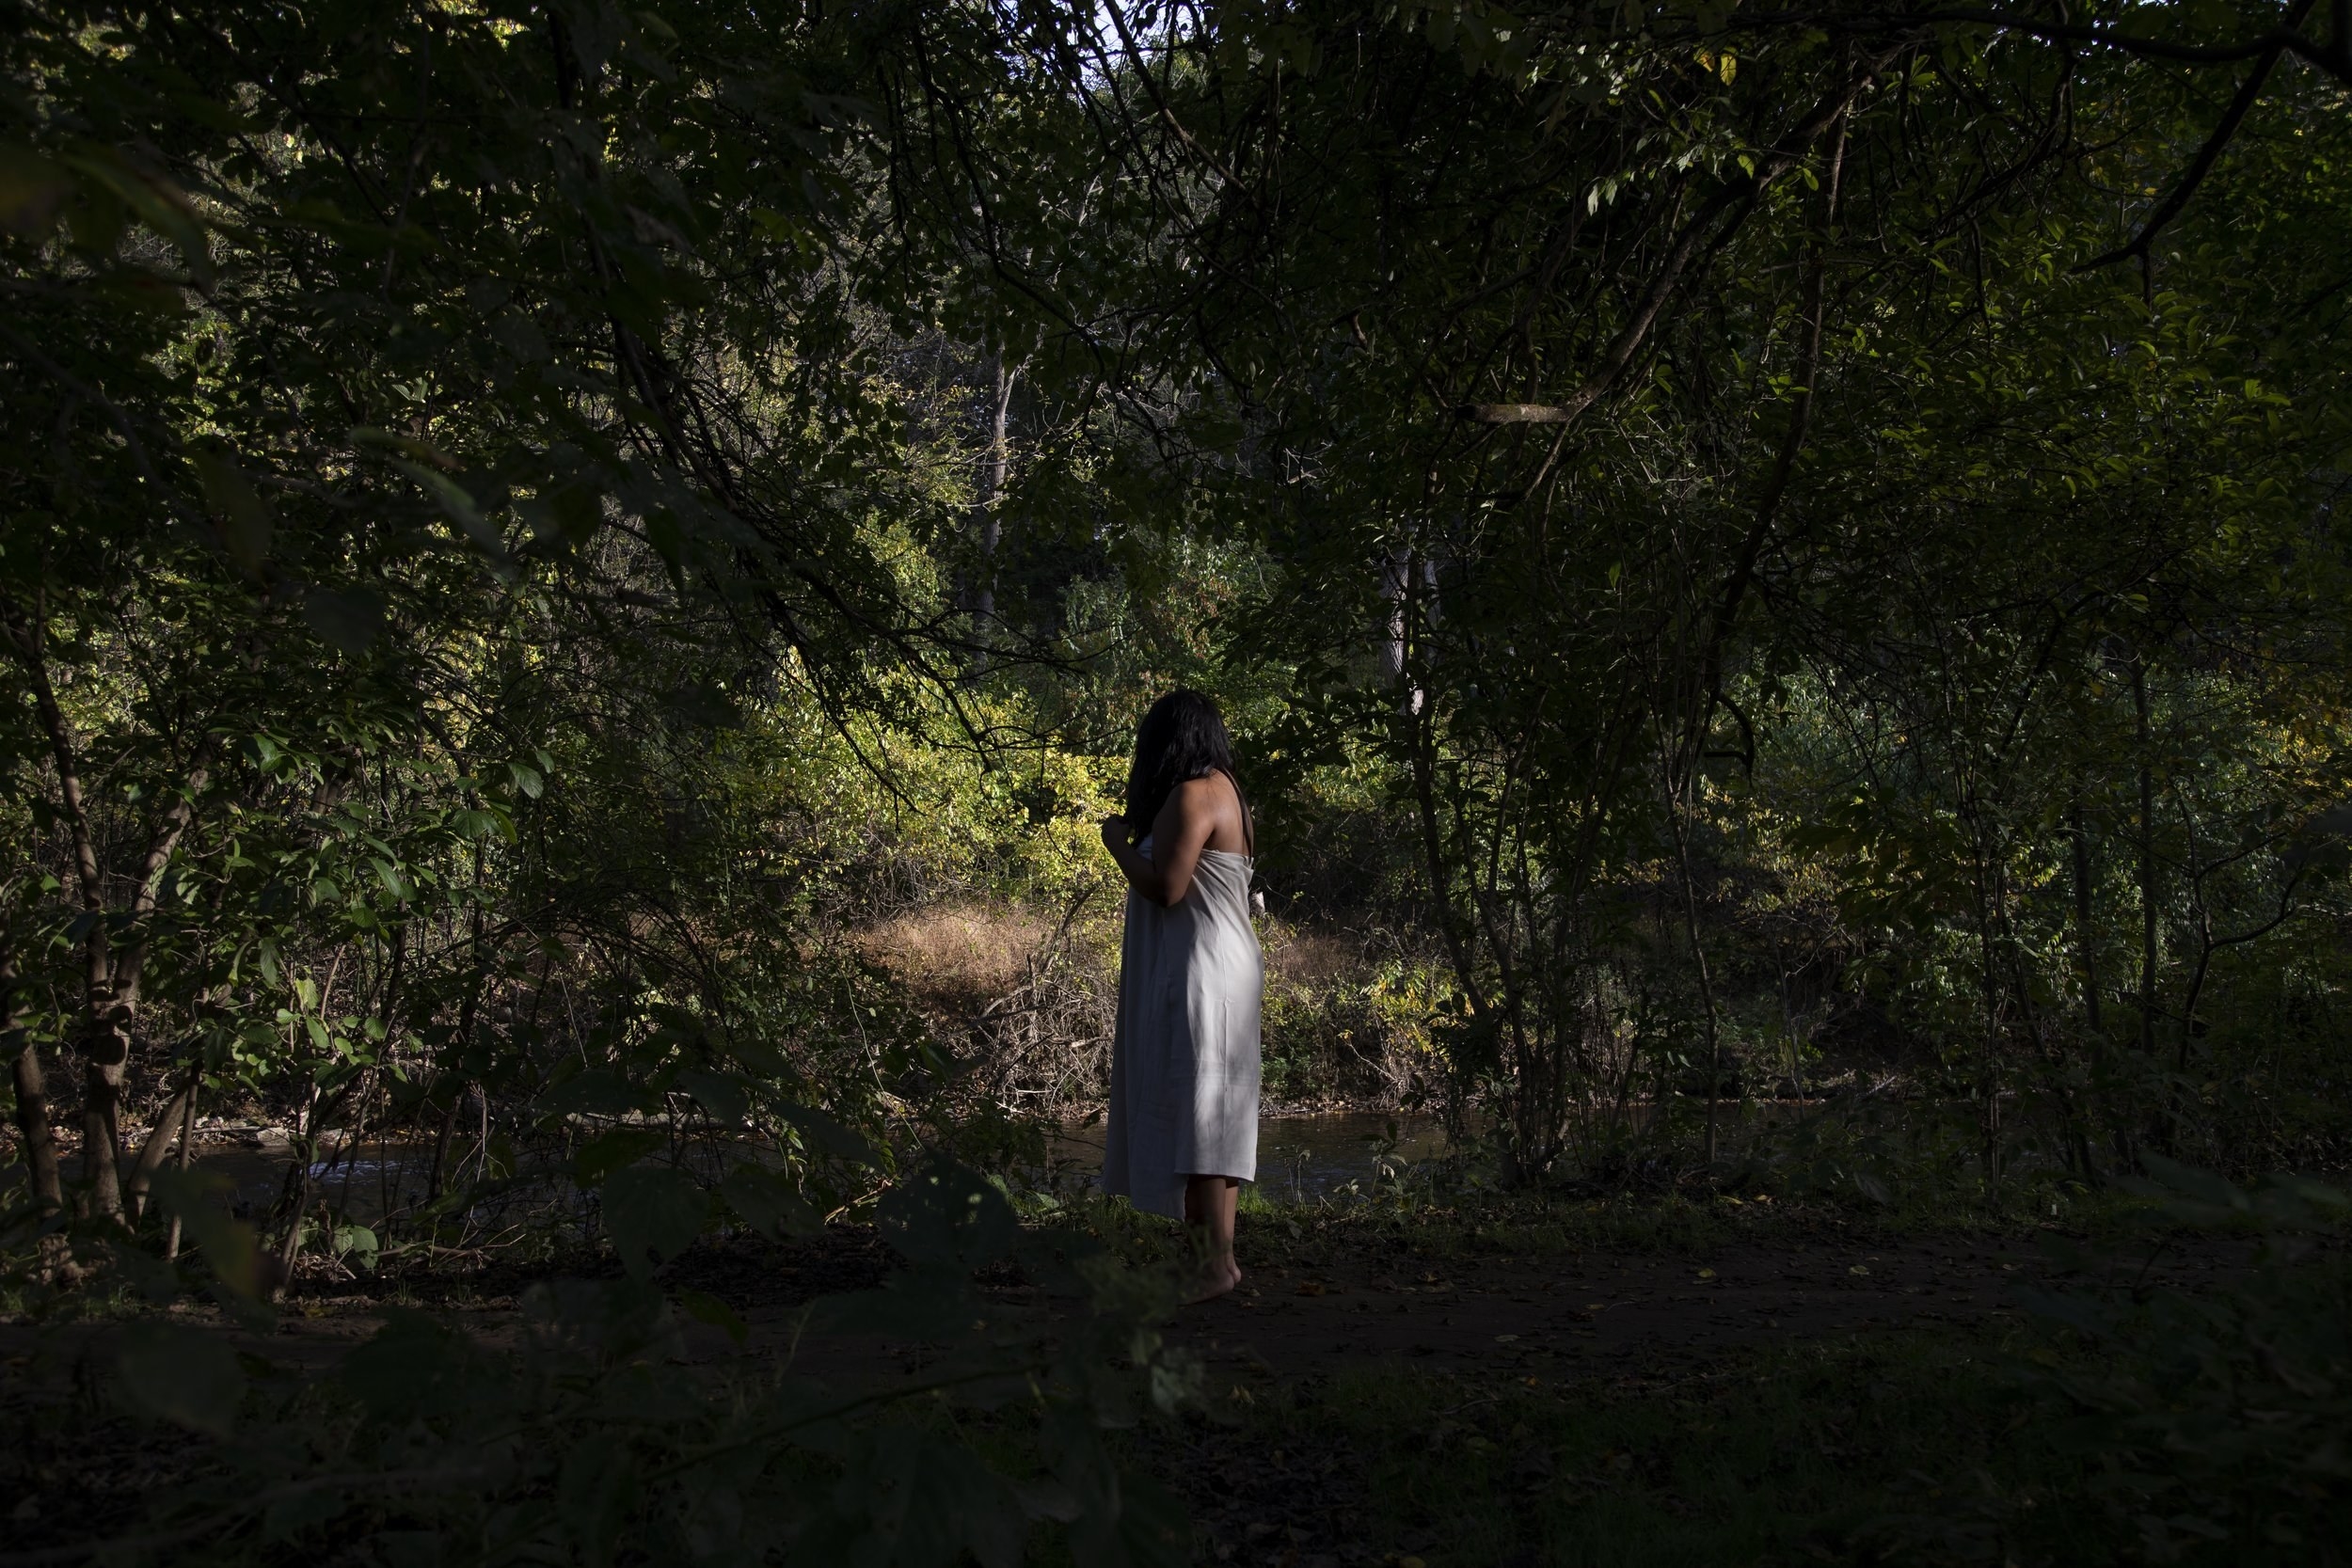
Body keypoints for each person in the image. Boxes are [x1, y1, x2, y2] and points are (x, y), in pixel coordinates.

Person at [1097, 689, 1263, 1303]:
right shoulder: (1228, 790)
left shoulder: (1193, 794)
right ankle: (1215, 1261)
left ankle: (1212, 1265)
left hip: (1206, 971)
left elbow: (1167, 886)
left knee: (1204, 1117)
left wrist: (1115, 841)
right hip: (1225, 969)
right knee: (1216, 1116)